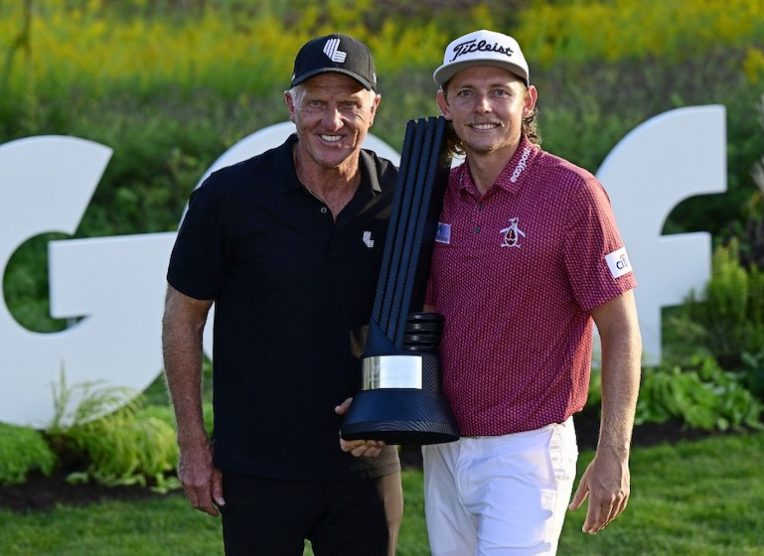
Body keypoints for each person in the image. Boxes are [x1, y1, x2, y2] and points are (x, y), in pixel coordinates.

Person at [162, 33, 402, 556]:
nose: (332, 121)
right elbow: (183, 318)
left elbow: (427, 314)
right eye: (317, 102)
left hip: (365, 460)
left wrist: (387, 405)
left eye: (349, 104)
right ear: (291, 105)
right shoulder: (228, 198)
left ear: (374, 109)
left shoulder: (404, 199)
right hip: (256, 468)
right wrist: (192, 444)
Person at [421, 29, 643, 555]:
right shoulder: (435, 193)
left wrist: (614, 451)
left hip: (527, 451)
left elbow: (621, 327)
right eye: (466, 93)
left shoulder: (572, 194)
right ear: (444, 105)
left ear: (528, 100)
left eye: (500, 90)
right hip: (442, 448)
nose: (483, 107)